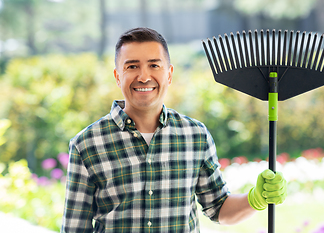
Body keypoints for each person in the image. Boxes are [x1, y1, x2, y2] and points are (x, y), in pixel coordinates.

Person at [61, 27, 287, 233]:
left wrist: (256, 199)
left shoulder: (195, 136)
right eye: (132, 66)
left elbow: (218, 208)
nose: (143, 76)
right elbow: (74, 229)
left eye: (154, 65)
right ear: (117, 75)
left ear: (168, 74)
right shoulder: (86, 145)